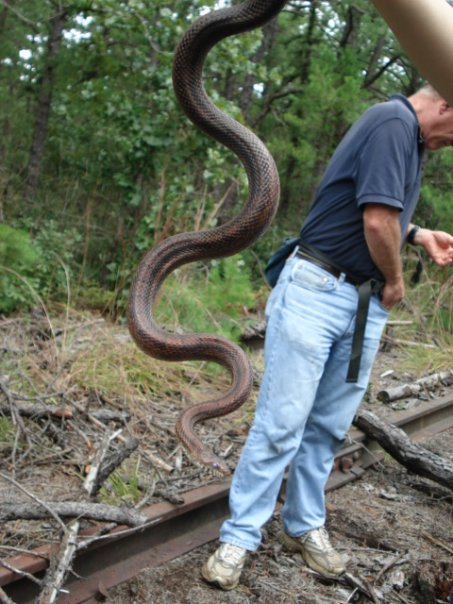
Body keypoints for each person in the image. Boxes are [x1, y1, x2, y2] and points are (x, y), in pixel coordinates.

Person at [201, 85, 453, 591]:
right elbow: (376, 218)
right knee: (282, 422)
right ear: (447, 105)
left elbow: (370, 206)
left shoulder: (411, 140)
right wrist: (398, 282)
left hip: (359, 305)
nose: (450, 145)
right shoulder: (392, 123)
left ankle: (302, 526)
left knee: (327, 427)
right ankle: (240, 537)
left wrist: (418, 233)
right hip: (319, 291)